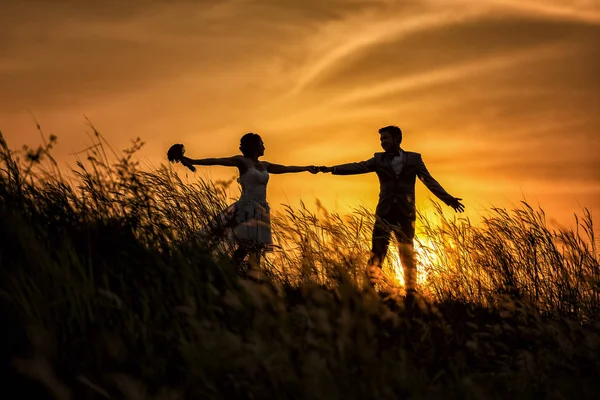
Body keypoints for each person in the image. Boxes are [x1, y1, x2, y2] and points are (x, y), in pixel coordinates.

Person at [320, 125, 464, 296]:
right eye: (381, 139)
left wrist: (449, 200)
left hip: (405, 214)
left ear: (397, 139)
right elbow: (357, 167)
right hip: (384, 213)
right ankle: (368, 291)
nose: (382, 142)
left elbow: (429, 181)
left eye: (385, 138)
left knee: (407, 254)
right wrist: (331, 169)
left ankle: (411, 292)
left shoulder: (414, 159)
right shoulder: (378, 159)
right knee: (377, 253)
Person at [168, 133, 319, 275]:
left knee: (256, 247)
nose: (264, 146)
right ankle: (234, 272)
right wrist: (193, 161)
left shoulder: (265, 165)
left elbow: (286, 169)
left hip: (261, 209)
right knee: (249, 245)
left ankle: (245, 275)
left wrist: (306, 168)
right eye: (262, 144)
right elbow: (217, 160)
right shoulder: (242, 161)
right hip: (246, 208)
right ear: (254, 146)